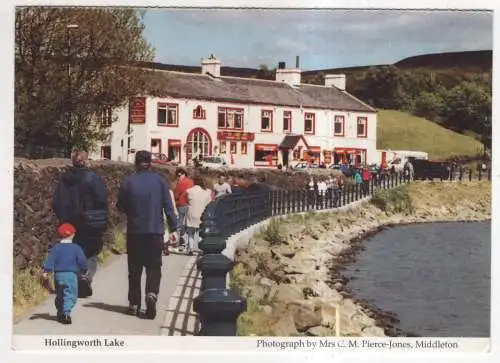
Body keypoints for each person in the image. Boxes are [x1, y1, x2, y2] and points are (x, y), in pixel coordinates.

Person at [117, 150, 179, 319]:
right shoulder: (160, 182)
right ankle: (151, 293)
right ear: (150, 163)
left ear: (136, 163)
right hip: (155, 231)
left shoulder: (128, 182)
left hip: (135, 231)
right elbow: (168, 207)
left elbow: (120, 206)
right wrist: (174, 228)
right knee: (153, 267)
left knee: (134, 270)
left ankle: (134, 304)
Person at [52, 150, 108, 298]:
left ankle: (75, 279)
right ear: (86, 161)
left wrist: (62, 218)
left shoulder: (65, 179)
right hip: (89, 221)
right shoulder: (92, 178)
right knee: (90, 251)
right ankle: (85, 277)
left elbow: (56, 201)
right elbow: (102, 199)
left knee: (73, 251)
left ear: (73, 162)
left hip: (69, 222)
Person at [41, 223, 88, 325]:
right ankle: (66, 314)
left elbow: (50, 260)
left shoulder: (56, 248)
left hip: (58, 276)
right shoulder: (76, 248)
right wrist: (84, 269)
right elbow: (82, 261)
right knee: (70, 294)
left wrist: (46, 271)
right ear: (72, 235)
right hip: (71, 276)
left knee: (60, 294)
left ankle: (60, 311)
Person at [185, 175, 213, 255]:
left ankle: (190, 248)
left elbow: (187, 200)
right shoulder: (208, 192)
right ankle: (200, 249)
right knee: (201, 232)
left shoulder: (189, 190)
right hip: (202, 214)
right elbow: (209, 204)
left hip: (192, 213)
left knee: (190, 232)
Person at [173, 168, 194, 252]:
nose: (178, 177)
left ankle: (180, 242)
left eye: (179, 175)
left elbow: (176, 194)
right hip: (189, 204)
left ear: (183, 174)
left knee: (179, 223)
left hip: (181, 204)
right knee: (187, 224)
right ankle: (187, 242)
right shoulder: (191, 182)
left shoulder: (181, 183)